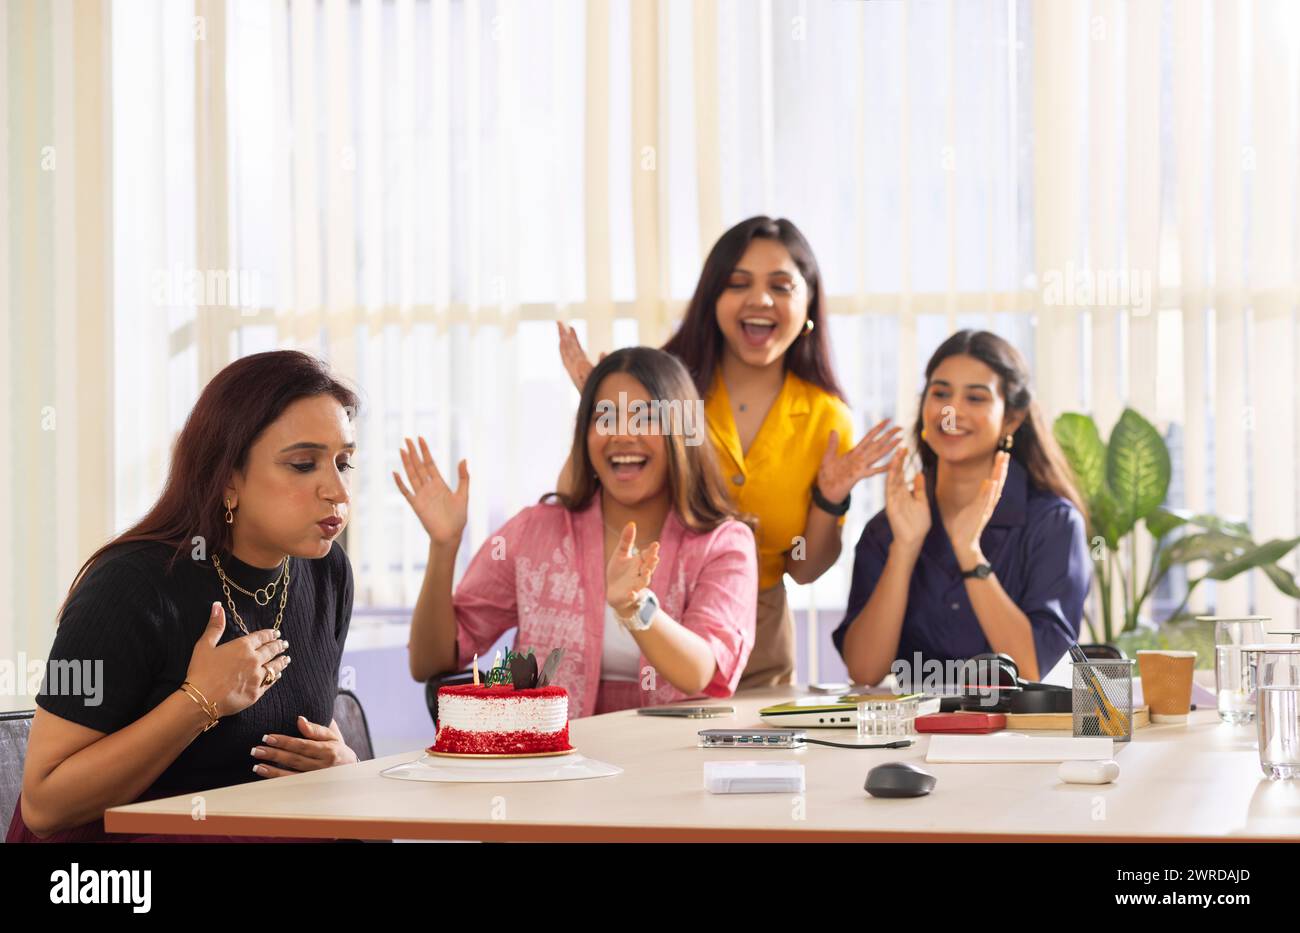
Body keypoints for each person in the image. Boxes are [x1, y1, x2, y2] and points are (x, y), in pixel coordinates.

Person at [8, 350, 360, 842]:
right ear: (228, 477)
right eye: (304, 464)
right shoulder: (129, 584)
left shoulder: (328, 573)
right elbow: (45, 806)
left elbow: (296, 723)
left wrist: (345, 766)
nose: (339, 490)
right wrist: (199, 701)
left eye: (344, 462)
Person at [557, 216, 900, 688]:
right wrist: (597, 413)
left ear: (808, 303)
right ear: (713, 299)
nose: (759, 299)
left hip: (760, 634)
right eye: (738, 283)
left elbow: (804, 569)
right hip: (651, 617)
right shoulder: (662, 390)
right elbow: (574, 507)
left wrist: (829, 498)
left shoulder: (828, 418)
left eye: (781, 286)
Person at [400, 347, 758, 716]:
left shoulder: (724, 544)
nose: (622, 434)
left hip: (670, 763)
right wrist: (444, 546)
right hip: (551, 766)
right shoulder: (535, 530)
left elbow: (699, 672)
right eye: (605, 417)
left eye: (646, 418)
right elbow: (429, 663)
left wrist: (636, 608)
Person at [833, 330, 1092, 686]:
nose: (953, 412)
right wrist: (904, 550)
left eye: (976, 397)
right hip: (917, 735)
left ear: (1011, 419)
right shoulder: (889, 527)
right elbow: (864, 671)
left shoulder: (1053, 522)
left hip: (1020, 737)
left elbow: (1036, 668)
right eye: (940, 394)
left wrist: (970, 554)